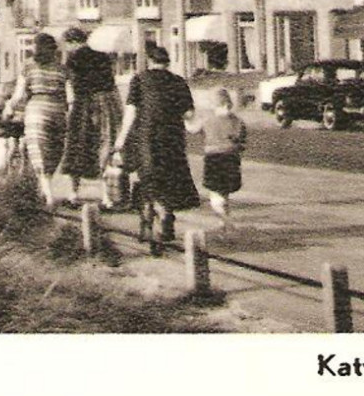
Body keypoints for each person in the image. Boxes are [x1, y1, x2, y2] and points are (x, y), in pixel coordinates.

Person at [112, 44, 200, 249]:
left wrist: (120, 140)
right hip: (172, 139)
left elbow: (131, 114)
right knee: (168, 178)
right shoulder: (179, 82)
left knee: (148, 179)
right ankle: (167, 214)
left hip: (146, 138)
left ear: (150, 61)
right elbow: (189, 116)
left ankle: (151, 218)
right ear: (167, 63)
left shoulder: (139, 80)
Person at [57, 27, 123, 208]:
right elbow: (112, 87)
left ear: (73, 42)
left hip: (83, 105)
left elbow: (70, 87)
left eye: (67, 45)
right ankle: (107, 197)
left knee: (77, 146)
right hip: (105, 104)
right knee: (103, 146)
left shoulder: (72, 60)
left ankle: (73, 194)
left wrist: (68, 109)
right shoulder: (103, 57)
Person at [1, 32, 69, 208]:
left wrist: (9, 107)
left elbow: (19, 94)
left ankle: (48, 194)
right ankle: (45, 188)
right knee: (55, 150)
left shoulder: (29, 67)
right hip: (58, 111)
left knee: (38, 150)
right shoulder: (62, 69)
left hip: (36, 111)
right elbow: (70, 96)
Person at [197, 87, 247, 222]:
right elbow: (242, 143)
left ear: (214, 105)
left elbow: (196, 130)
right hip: (231, 159)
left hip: (214, 159)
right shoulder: (238, 122)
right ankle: (224, 220)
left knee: (215, 195)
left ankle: (224, 222)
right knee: (225, 193)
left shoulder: (208, 121)